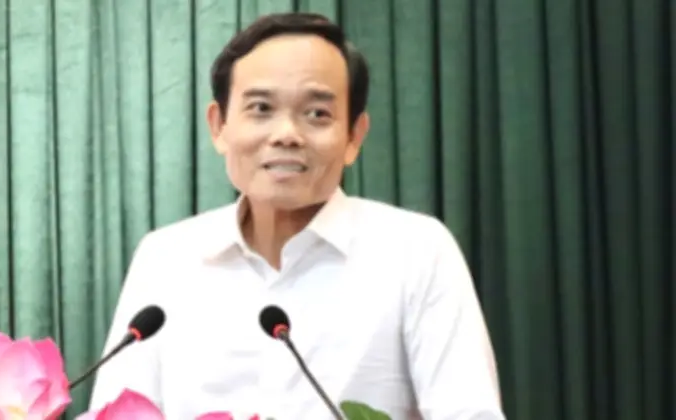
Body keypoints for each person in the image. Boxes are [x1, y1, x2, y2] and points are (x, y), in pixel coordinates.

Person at [88, 12, 505, 420]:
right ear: (219, 126)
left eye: (317, 114)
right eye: (261, 108)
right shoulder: (165, 257)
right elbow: (117, 413)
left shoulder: (416, 251)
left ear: (354, 136)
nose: (287, 134)